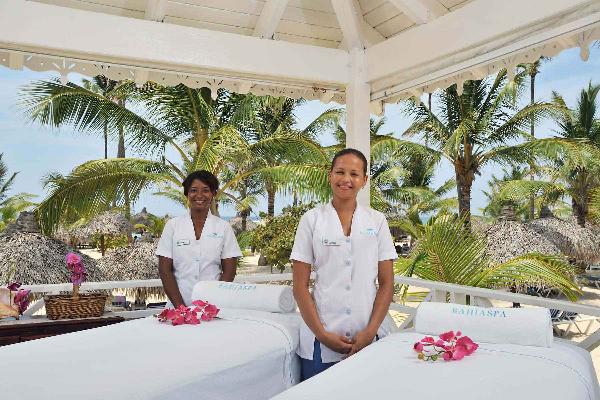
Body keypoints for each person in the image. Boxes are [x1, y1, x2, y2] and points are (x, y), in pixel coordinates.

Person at [291, 148, 397, 381]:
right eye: (340, 172)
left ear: (364, 180)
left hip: (369, 335)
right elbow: (299, 286)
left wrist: (369, 333)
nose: (346, 179)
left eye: (354, 174)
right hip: (320, 339)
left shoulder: (376, 221)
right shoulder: (312, 220)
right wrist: (322, 334)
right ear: (330, 175)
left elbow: (387, 283)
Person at [156, 170, 242, 307]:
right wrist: (181, 308)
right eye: (194, 190)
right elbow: (165, 270)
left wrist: (212, 303)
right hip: (177, 305)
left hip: (213, 306)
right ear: (187, 194)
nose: (199, 195)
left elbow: (229, 271)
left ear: (213, 194)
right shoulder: (173, 226)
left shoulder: (223, 227)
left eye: (206, 190)